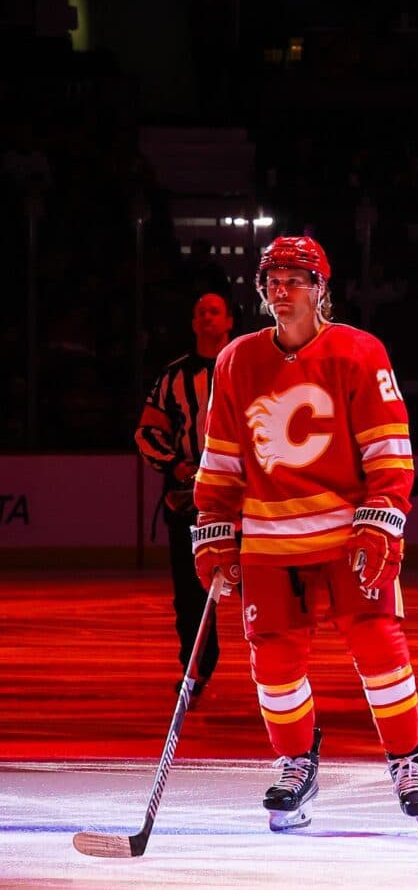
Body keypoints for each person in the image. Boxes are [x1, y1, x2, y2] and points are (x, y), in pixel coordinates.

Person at [191, 236, 418, 829]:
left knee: (379, 646)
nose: (282, 290)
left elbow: (389, 450)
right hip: (269, 540)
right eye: (273, 280)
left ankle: (406, 761)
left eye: (295, 280)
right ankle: (296, 763)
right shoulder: (236, 361)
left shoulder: (359, 352)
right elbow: (220, 460)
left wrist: (381, 520)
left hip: (347, 536)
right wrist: (214, 529)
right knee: (273, 660)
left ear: (320, 289)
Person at [136, 289, 233, 692]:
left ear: (229, 321)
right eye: (201, 312)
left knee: (264, 583)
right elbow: (147, 431)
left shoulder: (249, 368)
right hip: (188, 497)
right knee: (190, 592)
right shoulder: (173, 376)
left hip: (244, 496)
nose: (207, 317)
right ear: (194, 324)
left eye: (215, 311)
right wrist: (175, 464)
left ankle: (279, 669)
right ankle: (195, 670)